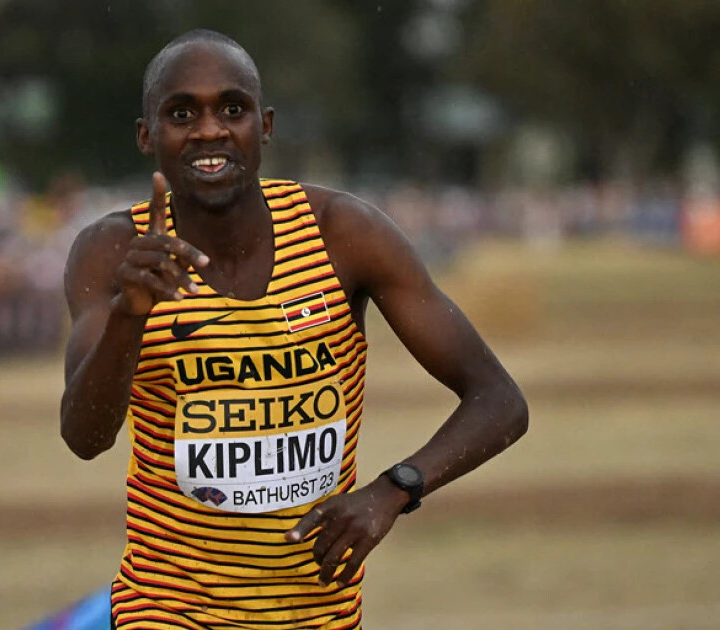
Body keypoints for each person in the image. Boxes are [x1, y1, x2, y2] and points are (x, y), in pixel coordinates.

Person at [61, 30, 528, 629]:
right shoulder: (112, 250)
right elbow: (85, 436)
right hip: (167, 610)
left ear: (265, 126)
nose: (209, 131)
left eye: (232, 109)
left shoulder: (343, 234)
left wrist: (394, 489)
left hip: (319, 614)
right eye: (182, 114)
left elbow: (499, 400)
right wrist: (130, 316)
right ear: (146, 135)